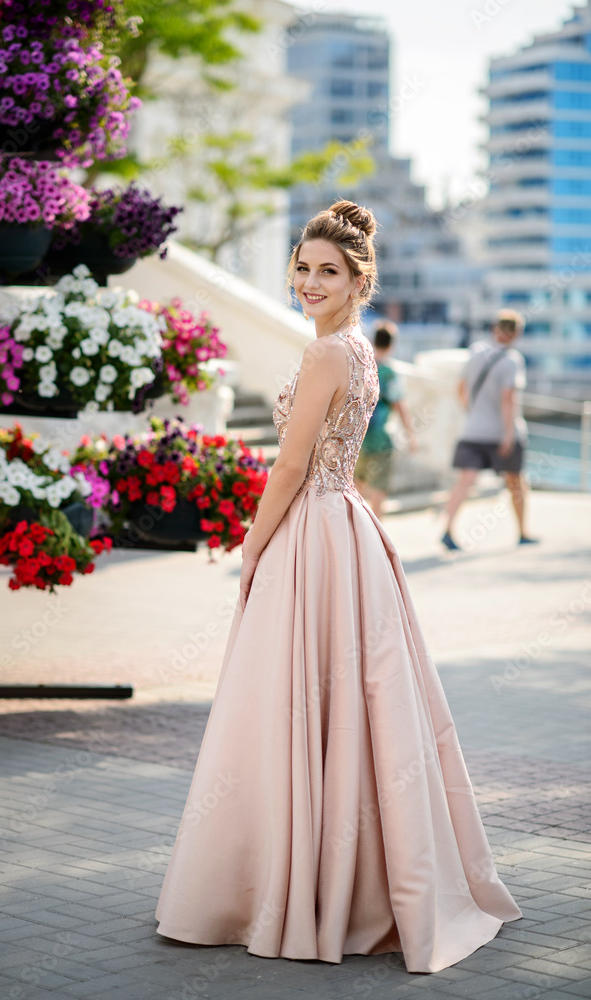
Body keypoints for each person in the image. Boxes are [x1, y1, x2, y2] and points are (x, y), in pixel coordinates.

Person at [155, 200, 522, 973]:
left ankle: (300, 884)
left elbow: (289, 467)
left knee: (298, 699)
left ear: (360, 282)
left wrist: (252, 549)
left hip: (314, 531)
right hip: (344, 527)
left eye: (329, 272)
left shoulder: (328, 356)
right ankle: (345, 879)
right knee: (353, 704)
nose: (310, 282)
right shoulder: (356, 351)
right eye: (303, 268)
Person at [441, 309, 536, 551]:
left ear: (495, 328)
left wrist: (472, 413)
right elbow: (508, 400)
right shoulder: (513, 360)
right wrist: (508, 434)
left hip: (473, 429)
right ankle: (523, 532)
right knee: (516, 482)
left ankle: (448, 530)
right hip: (503, 432)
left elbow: (460, 388)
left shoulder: (475, 353)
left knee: (465, 481)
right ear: (516, 333)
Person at [354, 322, 417, 519]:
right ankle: (376, 541)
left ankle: (353, 537)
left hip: (359, 439)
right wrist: (411, 435)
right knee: (378, 494)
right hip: (382, 440)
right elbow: (400, 404)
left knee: (357, 490)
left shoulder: (363, 367)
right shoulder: (389, 372)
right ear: (391, 345)